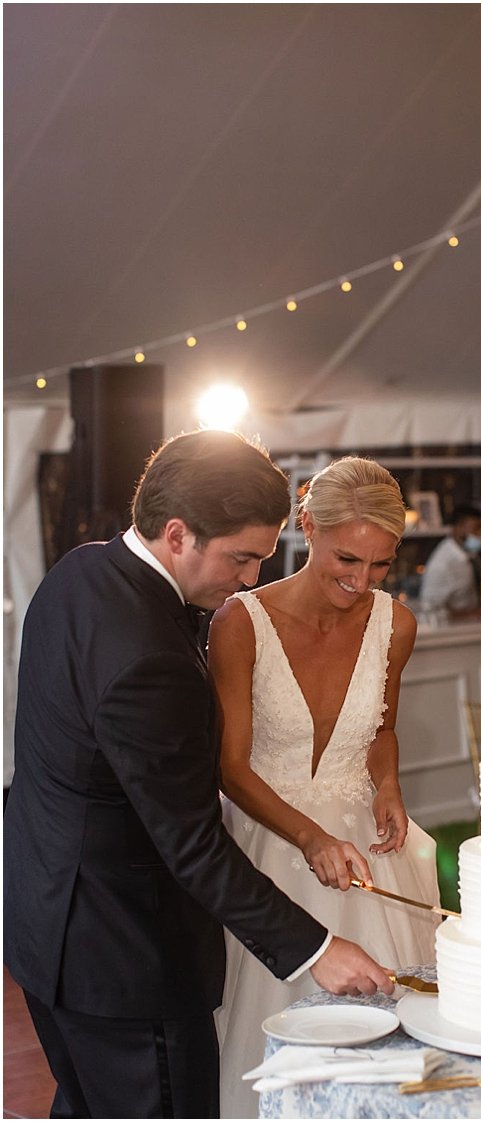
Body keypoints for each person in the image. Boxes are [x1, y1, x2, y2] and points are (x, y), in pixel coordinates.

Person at [3, 430, 394, 1121]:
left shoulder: (78, 572)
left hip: (45, 925)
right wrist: (315, 948)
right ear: (177, 533)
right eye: (241, 557)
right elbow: (191, 844)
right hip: (125, 962)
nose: (249, 578)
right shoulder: (148, 659)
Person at [210, 456, 441, 1118]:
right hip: (271, 838)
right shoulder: (240, 621)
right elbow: (230, 766)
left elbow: (383, 728)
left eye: (379, 566)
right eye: (347, 558)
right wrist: (310, 837)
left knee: (386, 1041)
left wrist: (389, 788)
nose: (360, 580)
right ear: (306, 524)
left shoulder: (395, 624)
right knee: (276, 1031)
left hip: (368, 846)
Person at [419, 504, 481, 618]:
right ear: (458, 529)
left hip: (473, 626)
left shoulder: (470, 556)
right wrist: (471, 613)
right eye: (476, 529)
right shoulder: (442, 565)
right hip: (453, 632)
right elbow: (430, 611)